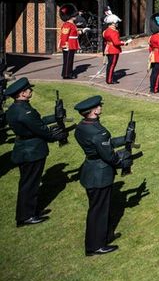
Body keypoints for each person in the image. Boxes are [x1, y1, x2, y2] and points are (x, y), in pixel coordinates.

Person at [74, 95, 132, 256]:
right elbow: (109, 156)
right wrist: (123, 162)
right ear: (93, 110)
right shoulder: (98, 132)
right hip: (100, 174)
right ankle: (96, 246)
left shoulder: (82, 127)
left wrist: (124, 139)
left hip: (90, 170)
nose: (101, 107)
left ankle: (103, 237)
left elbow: (102, 145)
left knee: (97, 208)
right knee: (99, 211)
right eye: (99, 106)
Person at [4, 77, 65, 226]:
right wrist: (54, 136)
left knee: (28, 182)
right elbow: (41, 129)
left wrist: (55, 117)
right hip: (32, 151)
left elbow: (37, 122)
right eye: (28, 89)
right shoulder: (25, 111)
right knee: (30, 184)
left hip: (23, 148)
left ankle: (29, 212)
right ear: (22, 94)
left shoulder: (15, 108)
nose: (31, 90)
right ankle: (26, 216)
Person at [102, 13, 125, 85]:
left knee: (110, 65)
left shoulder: (107, 31)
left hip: (109, 48)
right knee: (112, 65)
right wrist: (123, 43)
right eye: (116, 23)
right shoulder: (114, 32)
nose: (117, 24)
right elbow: (116, 42)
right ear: (112, 23)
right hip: (114, 50)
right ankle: (109, 80)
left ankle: (108, 78)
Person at [59, 8, 79, 79]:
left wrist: (82, 32)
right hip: (69, 44)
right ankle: (67, 74)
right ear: (70, 16)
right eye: (74, 15)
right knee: (67, 60)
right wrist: (65, 44)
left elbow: (74, 33)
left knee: (70, 60)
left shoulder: (71, 24)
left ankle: (67, 73)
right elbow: (64, 35)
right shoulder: (67, 24)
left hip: (72, 44)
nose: (75, 17)